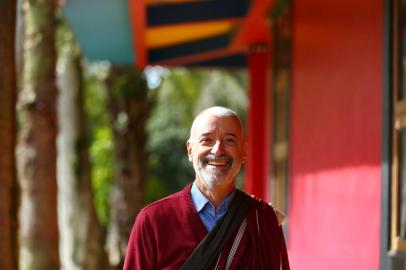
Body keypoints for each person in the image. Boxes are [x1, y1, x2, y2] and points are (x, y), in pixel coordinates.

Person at [123, 106, 290, 270]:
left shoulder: (262, 219)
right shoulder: (153, 221)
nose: (217, 150)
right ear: (190, 150)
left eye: (229, 140)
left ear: (244, 152)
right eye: (206, 140)